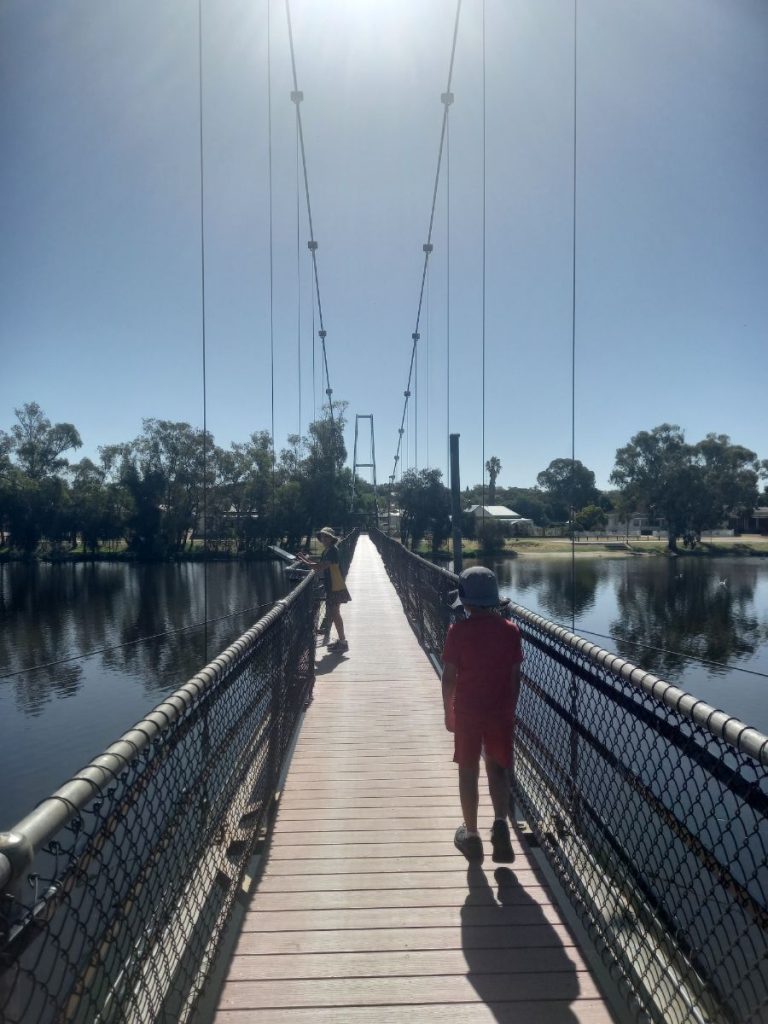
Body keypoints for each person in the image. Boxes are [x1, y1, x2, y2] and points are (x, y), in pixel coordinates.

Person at [442, 566, 523, 863]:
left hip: (467, 710)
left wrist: (448, 712)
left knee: (468, 769)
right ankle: (501, 823)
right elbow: (515, 676)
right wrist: (510, 708)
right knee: (497, 766)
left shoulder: (458, 632)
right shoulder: (510, 631)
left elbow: (449, 676)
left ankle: (472, 836)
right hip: (499, 710)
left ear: (465, 601)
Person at [297, 527, 351, 652]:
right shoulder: (326, 551)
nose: (324, 538)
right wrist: (304, 560)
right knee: (335, 613)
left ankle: (343, 642)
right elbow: (318, 566)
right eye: (322, 536)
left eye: (327, 536)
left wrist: (305, 561)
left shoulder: (332, 551)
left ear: (332, 538)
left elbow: (320, 567)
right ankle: (342, 641)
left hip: (335, 587)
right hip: (332, 586)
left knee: (335, 613)